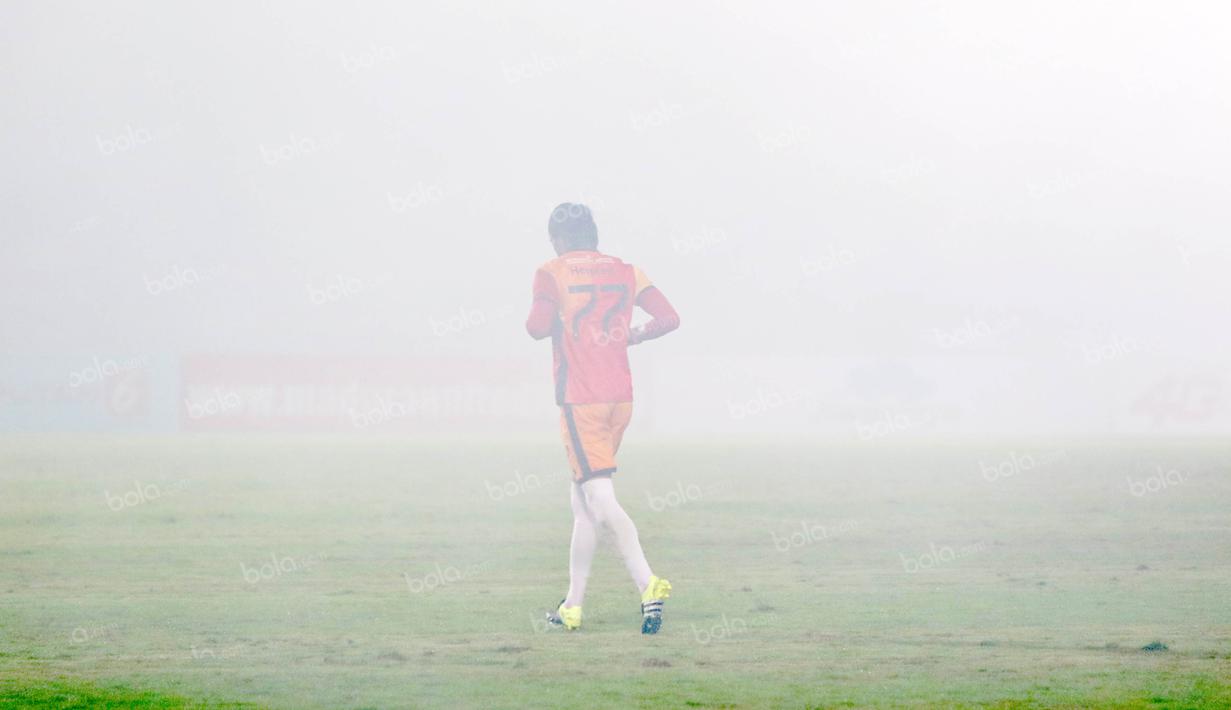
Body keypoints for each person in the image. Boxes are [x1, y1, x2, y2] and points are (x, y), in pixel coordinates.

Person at [525, 202, 681, 634]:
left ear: (557, 239)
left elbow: (536, 327)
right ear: (593, 234)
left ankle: (648, 583)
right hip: (620, 397)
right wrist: (633, 335)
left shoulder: (551, 271)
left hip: (582, 399)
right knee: (583, 505)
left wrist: (558, 313)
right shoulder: (626, 269)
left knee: (599, 498)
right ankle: (572, 607)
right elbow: (669, 318)